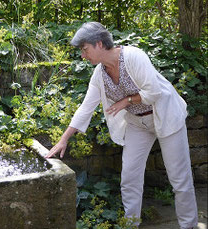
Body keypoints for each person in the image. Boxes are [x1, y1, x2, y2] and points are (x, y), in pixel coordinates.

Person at [45, 22, 198, 229]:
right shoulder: (99, 74)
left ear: (99, 44)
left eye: (85, 50)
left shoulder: (134, 56)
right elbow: (85, 108)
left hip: (165, 115)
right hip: (137, 123)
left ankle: (188, 225)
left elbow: (154, 93)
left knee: (179, 179)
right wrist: (64, 139)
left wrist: (125, 101)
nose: (83, 55)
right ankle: (130, 225)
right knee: (129, 178)